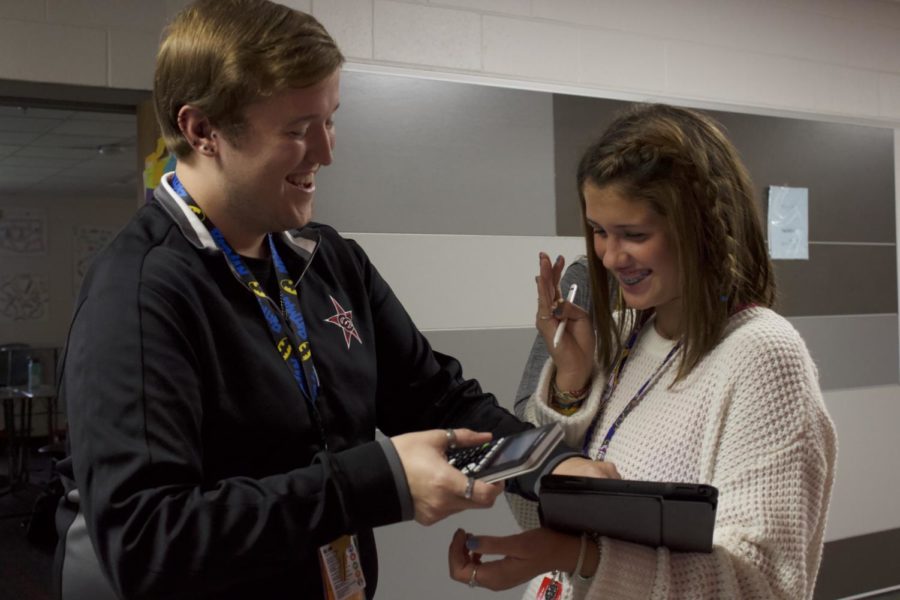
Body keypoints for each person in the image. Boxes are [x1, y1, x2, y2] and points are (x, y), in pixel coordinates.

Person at [52, 2, 596, 598]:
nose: (326, 152)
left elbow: (436, 397)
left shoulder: (329, 261)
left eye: (330, 119)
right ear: (202, 130)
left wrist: (552, 468)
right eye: (296, 130)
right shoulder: (138, 293)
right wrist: (377, 481)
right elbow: (147, 540)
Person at [449, 104, 837, 599]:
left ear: (700, 231)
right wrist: (572, 381)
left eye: (634, 235)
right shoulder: (623, 334)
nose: (610, 257)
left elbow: (761, 587)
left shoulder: (763, 356)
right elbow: (532, 508)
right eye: (598, 231)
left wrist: (579, 559)